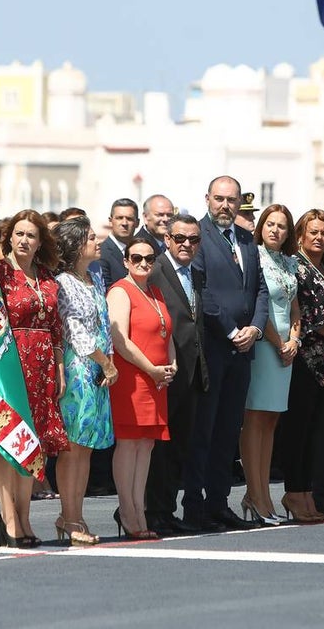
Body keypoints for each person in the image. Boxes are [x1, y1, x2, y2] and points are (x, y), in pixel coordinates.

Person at [186, 175, 269, 531]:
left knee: (228, 432)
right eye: (219, 199)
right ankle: (195, 507)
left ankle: (219, 503)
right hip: (214, 348)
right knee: (202, 431)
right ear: (207, 198)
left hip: (243, 351)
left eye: (231, 200)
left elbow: (261, 289)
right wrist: (233, 331)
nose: (225, 205)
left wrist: (256, 327)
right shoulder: (197, 238)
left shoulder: (248, 240)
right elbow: (201, 291)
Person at [0, 210, 71, 546]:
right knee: (7, 436)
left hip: (42, 368)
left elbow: (55, 329)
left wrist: (60, 369)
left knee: (31, 443)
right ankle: (8, 518)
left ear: (40, 242)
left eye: (31, 235)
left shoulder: (46, 277)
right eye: (19, 234)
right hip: (9, 362)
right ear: (9, 237)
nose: (24, 240)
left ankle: (24, 517)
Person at [279, 210, 324, 522]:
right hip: (307, 364)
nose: (320, 237)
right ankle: (294, 493)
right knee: (300, 432)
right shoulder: (297, 267)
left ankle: (307, 494)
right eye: (313, 232)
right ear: (300, 235)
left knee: (318, 433)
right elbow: (308, 312)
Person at [54, 217, 117, 545]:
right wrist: (105, 363)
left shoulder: (94, 277)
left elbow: (104, 325)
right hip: (80, 368)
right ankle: (71, 516)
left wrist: (109, 363)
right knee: (74, 447)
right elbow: (76, 332)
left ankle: (73, 514)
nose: (98, 242)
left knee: (86, 448)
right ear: (77, 245)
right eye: (91, 238)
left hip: (98, 369)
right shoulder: (64, 281)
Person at [107, 238, 176, 540]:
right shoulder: (120, 291)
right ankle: (127, 509)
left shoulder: (156, 292)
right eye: (137, 258)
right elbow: (119, 339)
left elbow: (166, 334)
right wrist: (151, 368)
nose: (144, 263)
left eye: (149, 258)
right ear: (126, 261)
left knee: (146, 444)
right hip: (133, 378)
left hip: (157, 379)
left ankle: (139, 506)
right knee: (129, 443)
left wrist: (172, 365)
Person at [145, 214, 209, 536]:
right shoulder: (154, 270)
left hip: (192, 372)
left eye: (194, 239)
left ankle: (166, 509)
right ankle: (151, 510)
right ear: (167, 239)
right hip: (164, 372)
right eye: (180, 238)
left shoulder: (196, 273)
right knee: (158, 450)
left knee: (178, 447)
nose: (187, 245)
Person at [240, 204, 301, 526]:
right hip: (265, 343)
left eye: (282, 226)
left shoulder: (289, 261)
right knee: (255, 418)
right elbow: (258, 304)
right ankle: (256, 494)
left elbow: (295, 308)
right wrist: (279, 343)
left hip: (286, 348)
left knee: (271, 421)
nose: (276, 230)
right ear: (261, 227)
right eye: (271, 224)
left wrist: (295, 339)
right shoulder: (255, 257)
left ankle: (262, 493)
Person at [98, 198, 140, 287]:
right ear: (110, 221)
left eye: (129, 218)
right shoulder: (101, 254)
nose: (124, 223)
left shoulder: (142, 250)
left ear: (137, 223)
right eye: (119, 218)